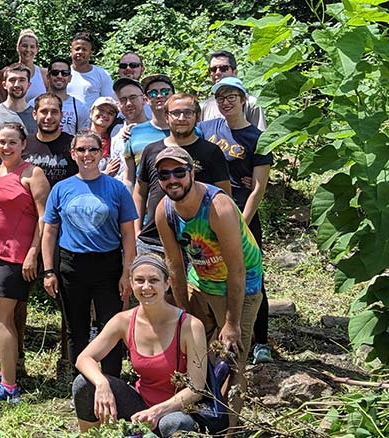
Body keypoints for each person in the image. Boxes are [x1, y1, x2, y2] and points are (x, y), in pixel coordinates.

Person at [153, 145, 264, 425]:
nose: (172, 179)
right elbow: (175, 265)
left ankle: (230, 427)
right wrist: (183, 315)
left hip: (240, 285)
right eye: (165, 174)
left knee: (232, 357)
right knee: (196, 351)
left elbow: (237, 269)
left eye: (179, 171)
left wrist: (232, 323)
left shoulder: (218, 206)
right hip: (200, 281)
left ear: (192, 172)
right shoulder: (164, 210)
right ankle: (198, 418)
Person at [71, 254, 221, 435]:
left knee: (175, 424)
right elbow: (84, 358)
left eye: (154, 280)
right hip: (139, 406)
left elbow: (196, 388)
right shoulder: (123, 320)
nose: (146, 287)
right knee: (83, 383)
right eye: (139, 280)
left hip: (176, 410)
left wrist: (158, 411)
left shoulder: (190, 326)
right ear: (131, 283)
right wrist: (102, 384)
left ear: (167, 284)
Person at [41, 131, 137, 378]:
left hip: (108, 265)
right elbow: (49, 232)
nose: (87, 155)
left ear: (101, 152)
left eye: (92, 150)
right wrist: (49, 271)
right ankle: (81, 384)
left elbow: (128, 234)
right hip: (71, 265)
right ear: (73, 154)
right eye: (81, 150)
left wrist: (128, 272)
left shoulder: (116, 189)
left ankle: (112, 380)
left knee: (111, 327)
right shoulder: (61, 189)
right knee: (77, 328)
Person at [0, 122, 50, 405]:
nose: (6, 147)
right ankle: (6, 371)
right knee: (0, 318)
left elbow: (45, 218)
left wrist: (33, 252)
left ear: (23, 144)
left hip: (14, 254)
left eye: (12, 142)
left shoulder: (32, 173)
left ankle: (10, 387)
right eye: (2, 141)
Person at [197, 77, 274, 364]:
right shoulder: (207, 128)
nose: (226, 102)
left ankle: (260, 340)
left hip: (243, 215)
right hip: (209, 215)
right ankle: (217, 335)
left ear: (243, 99)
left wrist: (240, 223)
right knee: (211, 271)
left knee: (251, 275)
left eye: (231, 96)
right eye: (220, 97)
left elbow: (258, 188)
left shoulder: (258, 138)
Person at [133, 94, 231, 258]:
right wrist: (137, 231)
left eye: (187, 113)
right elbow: (140, 192)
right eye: (175, 113)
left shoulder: (211, 152)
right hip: (153, 241)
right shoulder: (151, 150)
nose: (181, 118)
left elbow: (224, 196)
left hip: (198, 242)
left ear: (197, 116)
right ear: (166, 116)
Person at [121, 75, 174, 188]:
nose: (159, 96)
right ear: (146, 99)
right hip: (147, 202)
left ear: (173, 95)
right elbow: (129, 179)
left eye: (165, 92)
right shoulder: (134, 133)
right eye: (153, 93)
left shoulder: (190, 131)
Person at [200, 50, 267, 130]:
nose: (217, 73)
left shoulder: (251, 104)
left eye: (223, 68)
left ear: (235, 72)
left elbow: (259, 136)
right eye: (213, 69)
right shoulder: (204, 106)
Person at [27, 93, 78, 187]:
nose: (49, 117)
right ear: (34, 114)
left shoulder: (74, 144)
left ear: (61, 115)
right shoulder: (24, 144)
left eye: (54, 112)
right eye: (44, 111)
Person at [33, 58, 90, 136]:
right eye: (55, 73)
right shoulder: (33, 104)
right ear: (48, 77)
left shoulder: (80, 107)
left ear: (70, 78)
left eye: (64, 73)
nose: (59, 76)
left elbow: (83, 137)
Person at [66, 32, 115, 107]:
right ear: (71, 51)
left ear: (91, 53)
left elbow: (109, 103)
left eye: (84, 49)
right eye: (77, 49)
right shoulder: (62, 74)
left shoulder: (102, 75)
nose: (80, 52)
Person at [86, 97, 121, 178]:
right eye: (101, 110)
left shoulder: (115, 140)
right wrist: (104, 173)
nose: (105, 115)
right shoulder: (80, 139)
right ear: (91, 112)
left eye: (110, 113)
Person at [15, 29, 47, 101]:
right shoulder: (8, 72)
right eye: (24, 46)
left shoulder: (44, 74)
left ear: (36, 50)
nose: (28, 50)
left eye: (32, 47)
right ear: (17, 47)